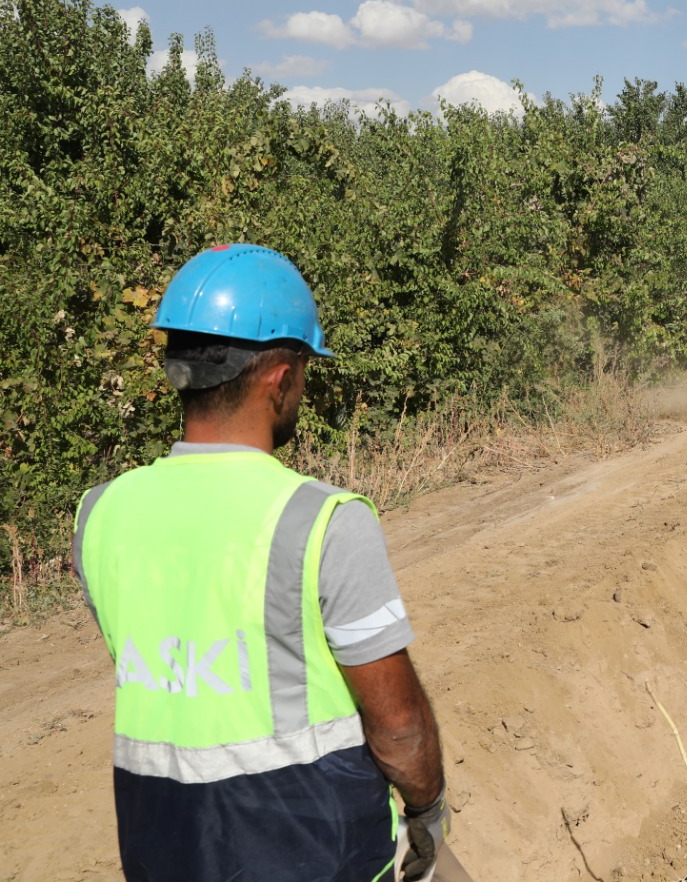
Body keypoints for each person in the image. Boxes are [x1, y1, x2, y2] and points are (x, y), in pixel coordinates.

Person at [71, 244, 451, 880]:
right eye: (304, 369)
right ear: (281, 379)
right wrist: (428, 807)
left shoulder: (100, 514)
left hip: (161, 853)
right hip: (319, 856)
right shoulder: (323, 522)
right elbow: (398, 727)